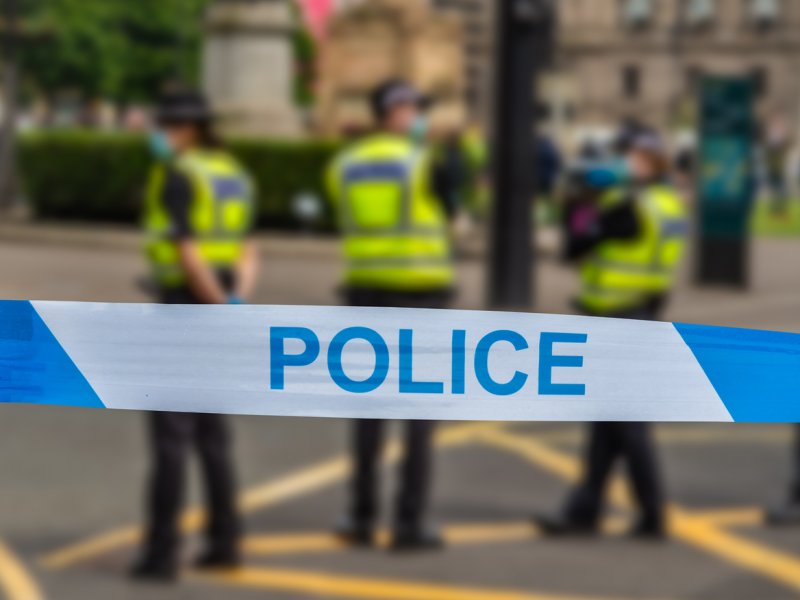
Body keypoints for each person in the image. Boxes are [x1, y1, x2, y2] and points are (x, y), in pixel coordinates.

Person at [533, 131, 688, 540]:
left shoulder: (629, 206)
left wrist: (575, 206)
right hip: (639, 313)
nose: (623, 163)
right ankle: (584, 511)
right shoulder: (667, 204)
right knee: (607, 425)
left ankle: (651, 513)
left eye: (631, 156)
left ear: (650, 161)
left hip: (616, 318)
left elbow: (578, 244)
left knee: (626, 426)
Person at [131, 89, 258, 581]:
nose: (158, 135)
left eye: (164, 126)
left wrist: (210, 301)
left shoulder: (179, 174)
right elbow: (248, 246)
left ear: (184, 129)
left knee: (171, 437)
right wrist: (234, 301)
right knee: (213, 434)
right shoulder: (231, 172)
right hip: (221, 302)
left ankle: (162, 554)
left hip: (184, 306)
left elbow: (187, 251)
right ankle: (226, 542)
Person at [326, 79, 456, 551]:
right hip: (421, 293)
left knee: (367, 411)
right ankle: (408, 523)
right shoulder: (422, 161)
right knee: (418, 414)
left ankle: (360, 518)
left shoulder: (346, 163)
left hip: (364, 293)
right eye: (415, 108)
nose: (420, 117)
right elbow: (453, 217)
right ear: (395, 111)